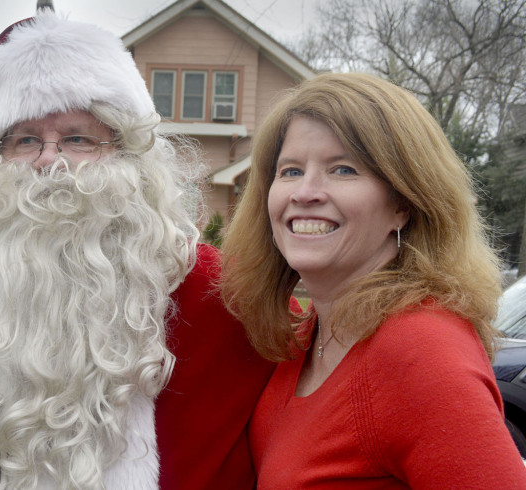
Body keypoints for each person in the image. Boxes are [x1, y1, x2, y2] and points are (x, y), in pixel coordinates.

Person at [0, 11, 274, 489]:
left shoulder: (216, 294)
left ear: (128, 154)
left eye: (78, 139)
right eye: (25, 140)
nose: (51, 160)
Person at [219, 72, 526, 488]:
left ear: (403, 203)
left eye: (342, 169)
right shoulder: (309, 335)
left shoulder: (420, 350)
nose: (305, 192)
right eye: (290, 171)